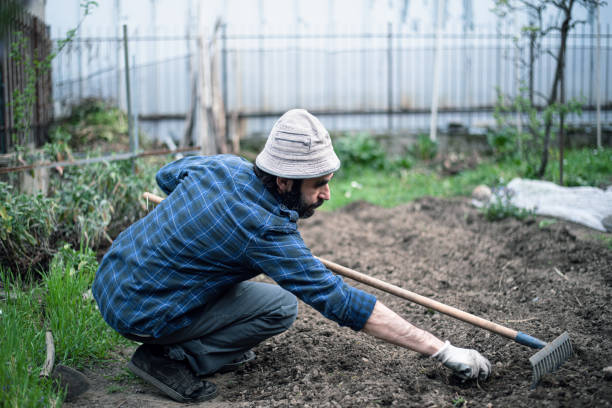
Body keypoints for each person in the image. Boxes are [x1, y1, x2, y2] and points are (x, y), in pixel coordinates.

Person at [93, 109, 491, 403]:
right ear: (283, 180)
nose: (327, 195)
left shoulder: (223, 166)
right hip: (140, 313)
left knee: (265, 295)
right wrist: (441, 349)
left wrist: (195, 219)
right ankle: (170, 357)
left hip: (110, 277)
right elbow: (342, 302)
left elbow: (166, 176)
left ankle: (190, 338)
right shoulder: (265, 231)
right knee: (280, 308)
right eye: (318, 185)